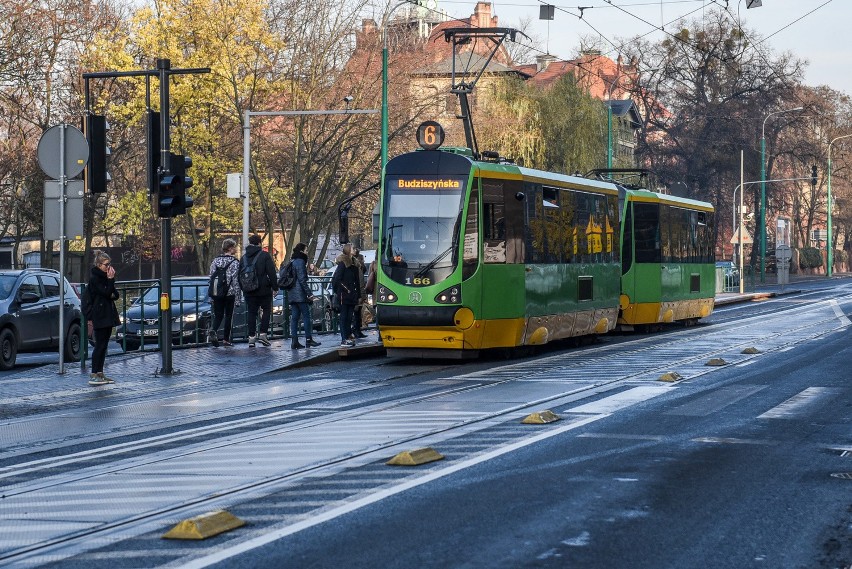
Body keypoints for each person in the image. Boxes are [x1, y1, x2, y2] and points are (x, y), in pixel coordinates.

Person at [85, 250, 120, 386]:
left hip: (107, 314)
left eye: (110, 264)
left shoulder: (106, 278)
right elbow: (106, 292)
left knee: (104, 345)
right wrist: (110, 282)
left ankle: (100, 372)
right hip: (99, 315)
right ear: (99, 265)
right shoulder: (95, 278)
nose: (109, 268)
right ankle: (94, 373)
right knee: (99, 345)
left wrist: (110, 285)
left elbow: (114, 294)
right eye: (106, 265)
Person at [241, 234, 278, 347]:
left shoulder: (243, 257)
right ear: (259, 243)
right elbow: (271, 272)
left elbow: (240, 274)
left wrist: (244, 288)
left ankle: (251, 338)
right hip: (263, 289)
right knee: (266, 310)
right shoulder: (264, 255)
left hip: (249, 290)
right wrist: (275, 287)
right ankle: (263, 334)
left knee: (251, 313)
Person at [285, 242, 321, 349]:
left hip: (292, 293)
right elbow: (302, 279)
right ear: (302, 251)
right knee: (306, 316)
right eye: (306, 250)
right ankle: (308, 339)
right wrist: (309, 293)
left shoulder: (292, 261)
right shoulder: (300, 262)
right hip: (300, 294)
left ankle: (294, 341)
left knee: (295, 318)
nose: (307, 252)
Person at [207, 238, 241, 347]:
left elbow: (211, 278)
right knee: (228, 316)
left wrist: (211, 295)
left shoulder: (215, 261)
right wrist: (238, 298)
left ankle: (214, 330)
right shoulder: (234, 262)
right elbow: (236, 281)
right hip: (229, 293)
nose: (235, 249)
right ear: (230, 248)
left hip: (217, 293)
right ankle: (226, 339)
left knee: (218, 315)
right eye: (234, 247)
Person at [331, 243, 362, 347]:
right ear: (348, 250)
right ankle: (344, 338)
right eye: (353, 248)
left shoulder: (354, 264)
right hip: (344, 295)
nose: (355, 250)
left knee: (349, 317)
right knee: (344, 317)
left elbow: (357, 281)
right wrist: (345, 289)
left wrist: (358, 295)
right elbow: (336, 279)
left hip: (351, 294)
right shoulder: (343, 263)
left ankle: (348, 336)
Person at [351, 247, 368, 339]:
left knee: (358, 313)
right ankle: (356, 330)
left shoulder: (359, 268)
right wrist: (362, 295)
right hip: (357, 293)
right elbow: (360, 282)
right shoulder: (357, 268)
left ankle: (357, 330)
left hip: (358, 292)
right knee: (356, 313)